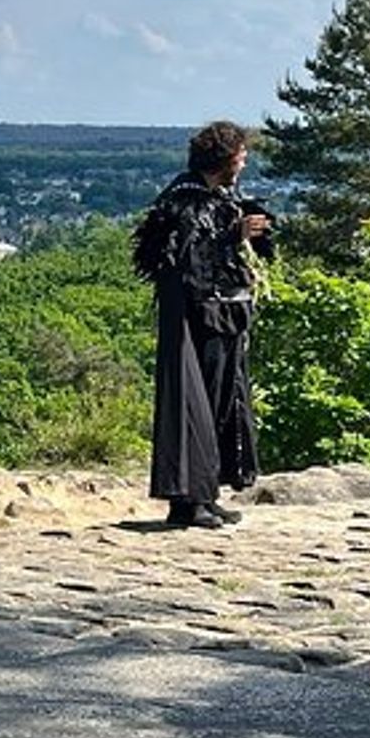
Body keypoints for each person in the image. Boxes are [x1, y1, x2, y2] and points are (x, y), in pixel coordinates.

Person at [132, 121, 273, 530]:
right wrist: (232, 235)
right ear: (223, 159)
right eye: (240, 157)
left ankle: (205, 495)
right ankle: (188, 502)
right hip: (194, 318)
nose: (244, 163)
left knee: (219, 402)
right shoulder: (183, 200)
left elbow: (223, 245)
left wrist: (253, 233)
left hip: (221, 314)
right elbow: (184, 257)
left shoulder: (219, 197)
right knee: (193, 404)